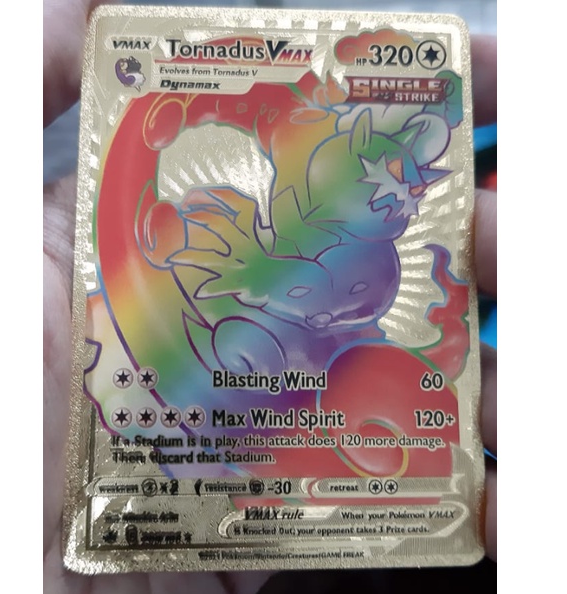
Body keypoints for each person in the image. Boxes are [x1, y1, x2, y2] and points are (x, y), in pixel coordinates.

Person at [43, 1, 497, 590]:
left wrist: (255, 271)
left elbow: (317, 292)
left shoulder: (372, 263)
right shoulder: (298, 196)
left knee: (246, 347)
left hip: (309, 368)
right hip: (239, 367)